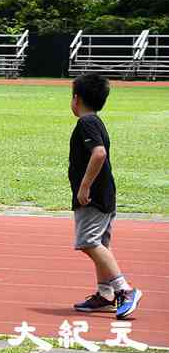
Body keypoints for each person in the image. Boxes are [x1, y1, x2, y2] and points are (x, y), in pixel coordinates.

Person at [69, 74, 142, 319]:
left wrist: (84, 187)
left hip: (94, 196)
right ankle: (106, 295)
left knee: (89, 242)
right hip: (105, 193)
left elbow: (98, 153)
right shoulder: (95, 121)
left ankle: (124, 290)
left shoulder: (86, 123)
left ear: (76, 99)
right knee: (102, 244)